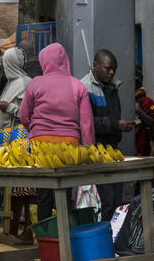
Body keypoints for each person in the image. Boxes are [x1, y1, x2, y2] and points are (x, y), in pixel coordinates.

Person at [17, 42, 93, 220]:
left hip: (40, 144)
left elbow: (24, 116)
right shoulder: (77, 86)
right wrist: (89, 151)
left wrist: (35, 131)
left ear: (44, 61)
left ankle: (44, 238)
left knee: (43, 193)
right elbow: (87, 124)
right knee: (64, 191)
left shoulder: (35, 84)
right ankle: (63, 236)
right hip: (69, 145)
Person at [82, 49, 137, 219]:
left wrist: (120, 126)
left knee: (115, 201)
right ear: (96, 66)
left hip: (113, 151)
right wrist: (115, 125)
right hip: (96, 151)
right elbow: (87, 122)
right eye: (108, 68)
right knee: (105, 200)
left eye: (114, 69)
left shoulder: (113, 87)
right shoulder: (85, 88)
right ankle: (102, 240)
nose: (112, 72)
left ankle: (109, 240)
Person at [0, 47, 34, 242]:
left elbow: (29, 113)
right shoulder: (11, 83)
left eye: (3, 63)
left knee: (25, 189)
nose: (1, 66)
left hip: (21, 140)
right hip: (8, 139)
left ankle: (28, 232)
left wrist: (10, 107)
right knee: (14, 189)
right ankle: (12, 230)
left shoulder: (26, 83)